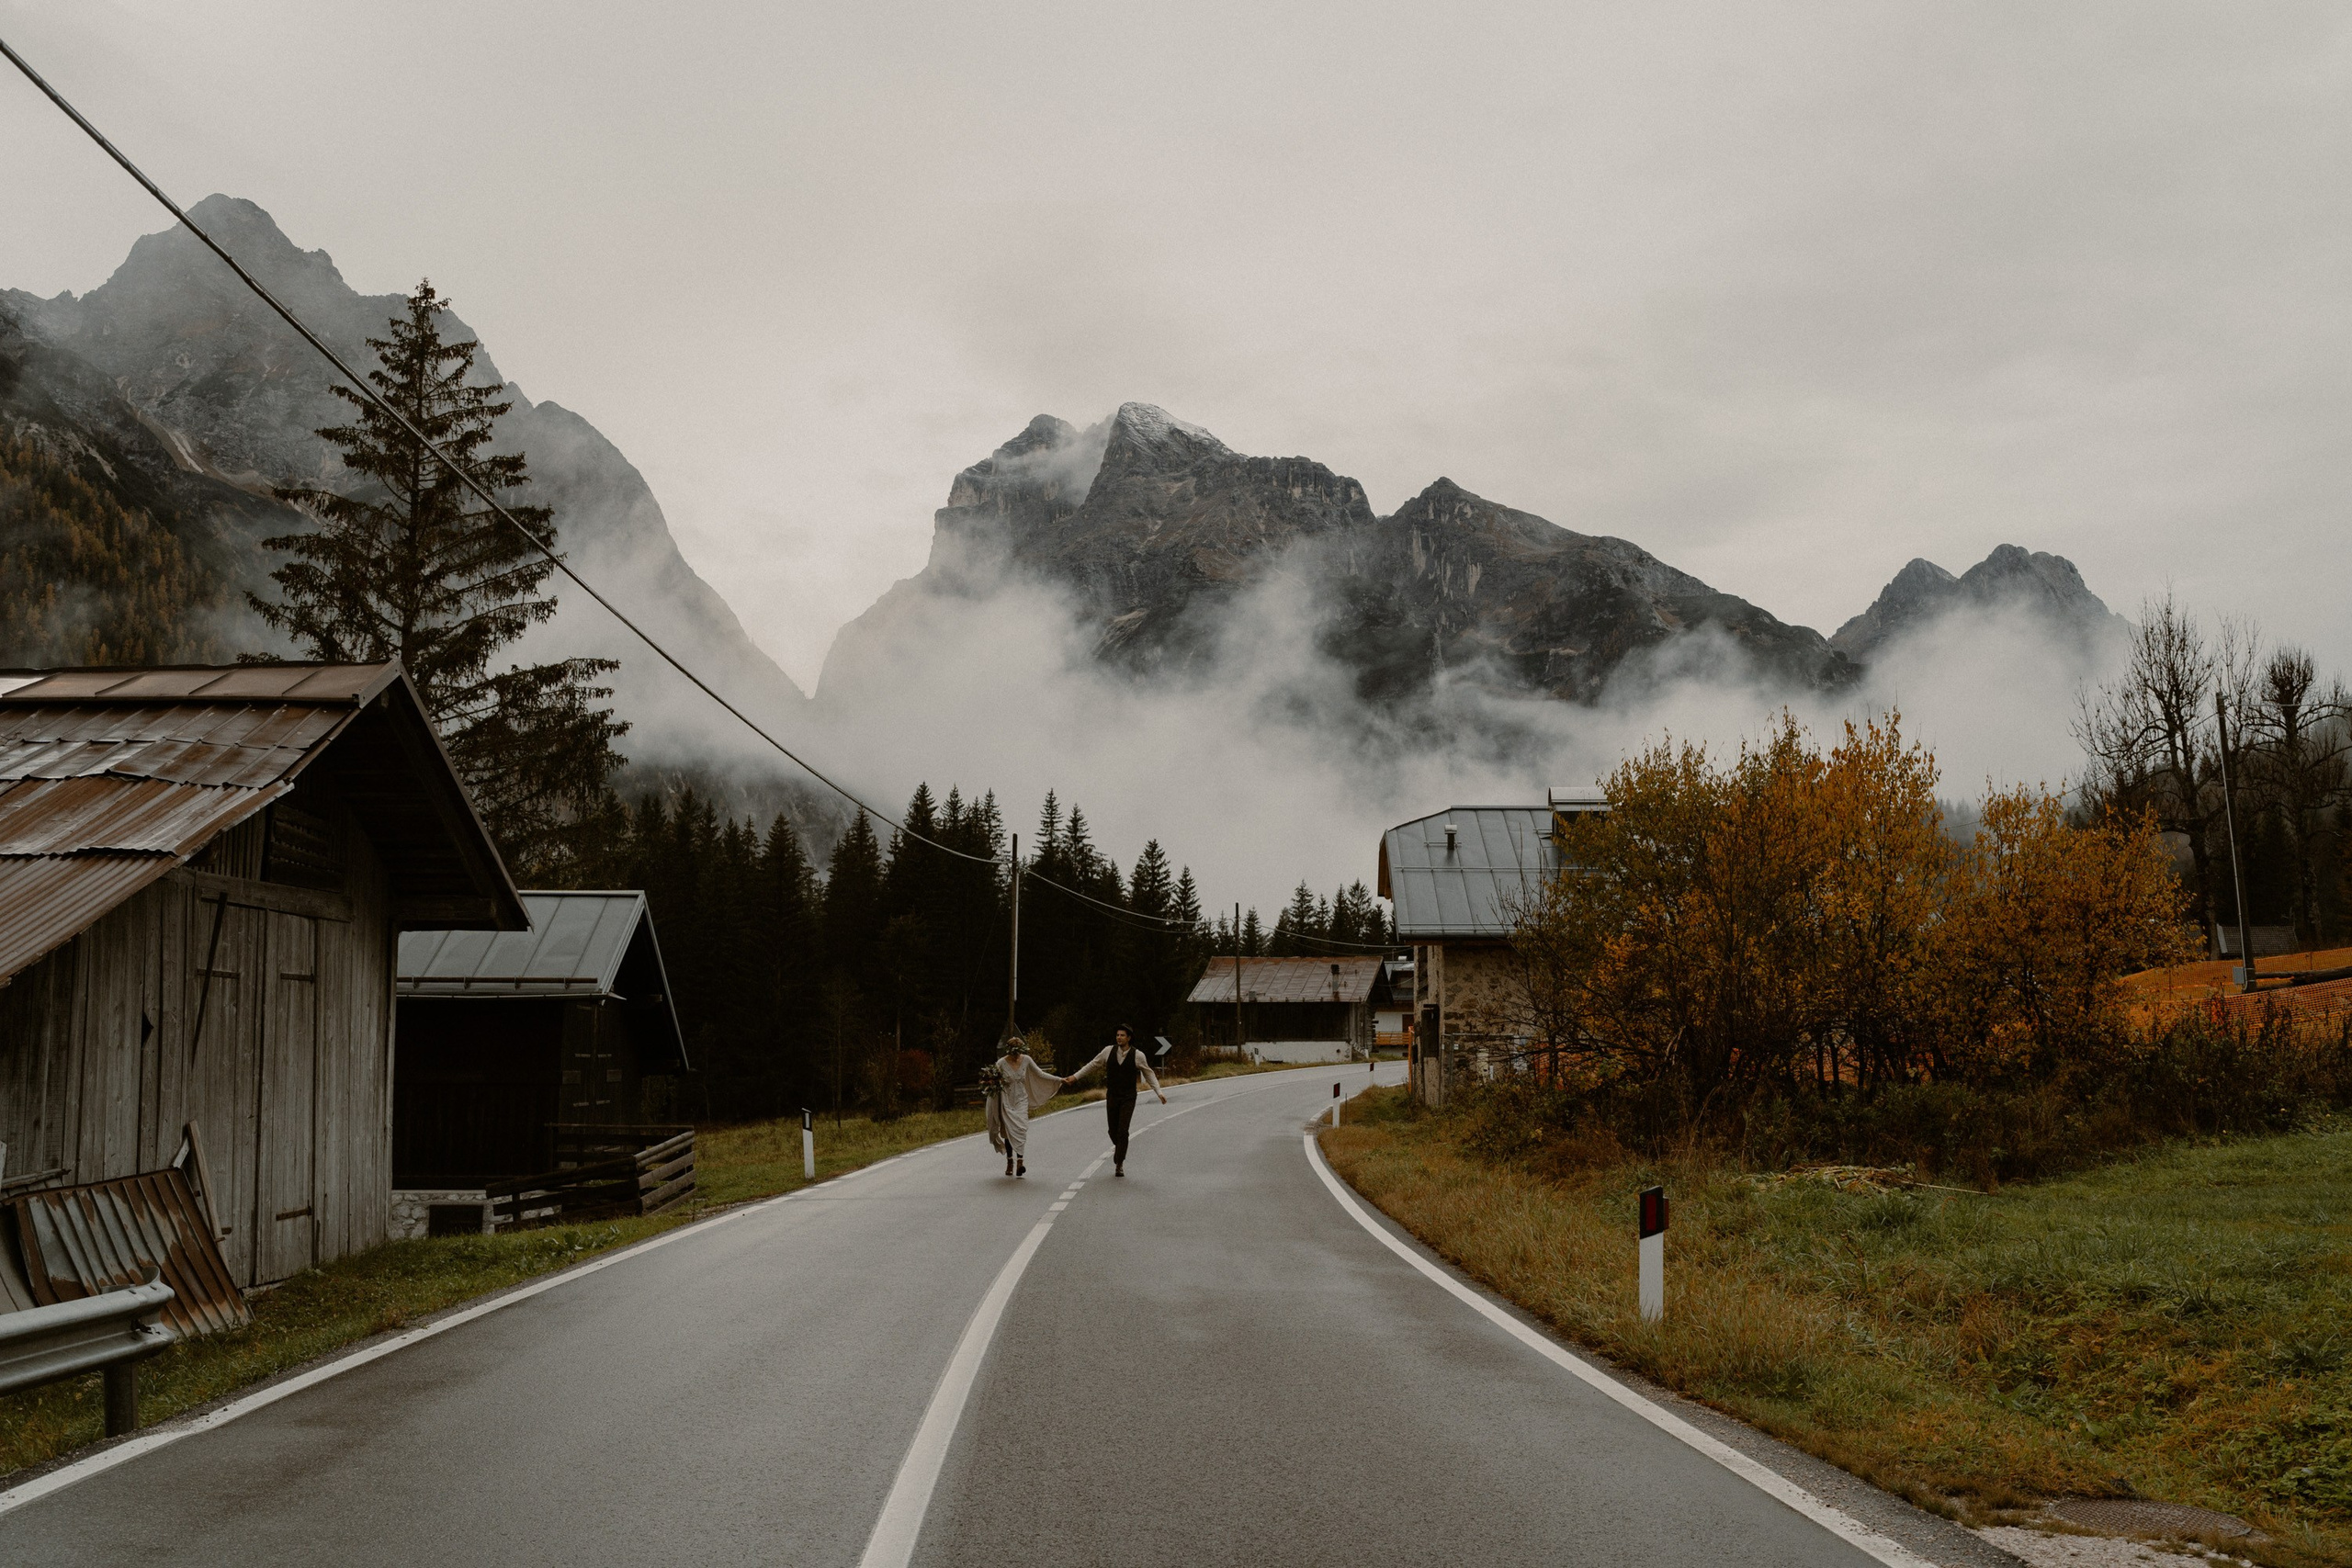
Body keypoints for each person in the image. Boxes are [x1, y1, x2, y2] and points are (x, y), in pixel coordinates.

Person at [1063, 1025, 1166, 1177]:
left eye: (1122, 1035)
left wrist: (1159, 1092)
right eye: (1117, 1035)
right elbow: (1092, 1065)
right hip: (1112, 1095)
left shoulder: (1138, 1055)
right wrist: (1075, 1077)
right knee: (1113, 1131)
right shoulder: (1108, 1051)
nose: (1119, 1037)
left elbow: (1149, 1074)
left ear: (1129, 1038)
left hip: (1128, 1097)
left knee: (1123, 1130)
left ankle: (1119, 1163)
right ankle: (1120, 1149)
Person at [984, 1036, 1065, 1179]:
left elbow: (1040, 1073)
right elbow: (992, 1080)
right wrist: (990, 1082)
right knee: (1009, 1131)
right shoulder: (1001, 1063)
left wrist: (1059, 1079)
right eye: (1013, 1054)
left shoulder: (1026, 1060)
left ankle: (1020, 1162)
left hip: (1021, 1099)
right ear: (1009, 1051)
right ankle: (1010, 1161)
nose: (1016, 1057)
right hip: (1007, 1100)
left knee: (1020, 1128)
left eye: (1018, 1053)